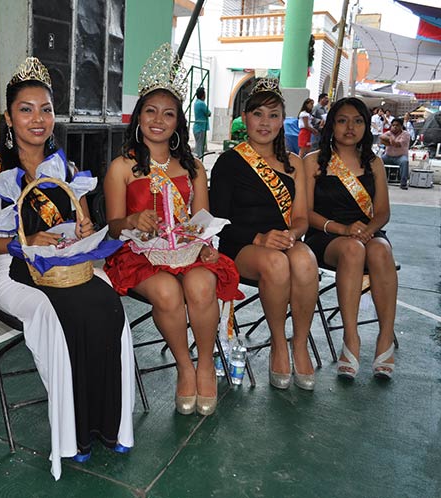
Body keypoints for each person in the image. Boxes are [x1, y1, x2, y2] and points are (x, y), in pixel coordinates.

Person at [0, 56, 135, 480]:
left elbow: (85, 226)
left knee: (107, 302)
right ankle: (73, 434)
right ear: (9, 117)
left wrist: (83, 230)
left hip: (67, 268)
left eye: (45, 109)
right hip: (15, 272)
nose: (37, 119)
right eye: (26, 109)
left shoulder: (66, 168)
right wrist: (23, 243)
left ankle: (109, 424)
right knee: (68, 314)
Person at [103, 44, 242, 417]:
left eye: (168, 113)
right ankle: (185, 366)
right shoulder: (121, 167)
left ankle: (207, 365)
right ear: (138, 118)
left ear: (179, 121)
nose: (158, 119)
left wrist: (207, 245)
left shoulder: (193, 166)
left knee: (200, 284)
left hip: (187, 251)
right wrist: (132, 221)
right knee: (166, 291)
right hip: (139, 256)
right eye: (150, 111)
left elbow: (203, 219)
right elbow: (113, 227)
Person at [209, 78, 318, 391]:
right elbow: (218, 220)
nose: (265, 122)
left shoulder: (294, 163)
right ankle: (278, 345)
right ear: (245, 118)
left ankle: (299, 343)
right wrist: (259, 238)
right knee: (276, 264)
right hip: (241, 244)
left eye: (273, 115)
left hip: (284, 241)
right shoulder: (228, 162)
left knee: (306, 260)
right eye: (258, 114)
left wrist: (292, 235)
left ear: (283, 120)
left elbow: (300, 218)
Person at [304, 97, 398, 381]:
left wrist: (369, 229)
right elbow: (305, 212)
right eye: (342, 120)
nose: (350, 127)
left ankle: (385, 338)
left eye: (357, 121)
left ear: (366, 127)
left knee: (381, 251)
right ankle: (351, 339)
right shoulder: (313, 162)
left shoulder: (374, 163)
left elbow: (382, 212)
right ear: (331, 124)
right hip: (326, 235)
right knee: (353, 250)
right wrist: (342, 229)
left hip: (367, 232)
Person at [380, 117, 411, 189]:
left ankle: (403, 183)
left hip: (400, 157)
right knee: (377, 160)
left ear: (401, 126)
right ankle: (377, 180)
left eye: (397, 125)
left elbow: (397, 144)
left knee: (405, 161)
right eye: (393, 125)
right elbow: (381, 138)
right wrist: (390, 139)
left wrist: (389, 140)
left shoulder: (405, 134)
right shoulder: (389, 133)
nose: (394, 127)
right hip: (388, 156)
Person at [192, 86, 211, 158]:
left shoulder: (196, 102)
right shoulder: (201, 103)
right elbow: (208, 113)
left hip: (197, 127)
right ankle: (198, 161)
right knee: (199, 147)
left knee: (198, 145)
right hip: (201, 127)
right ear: (203, 95)